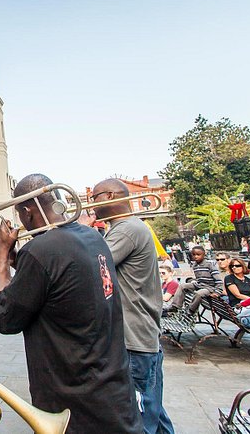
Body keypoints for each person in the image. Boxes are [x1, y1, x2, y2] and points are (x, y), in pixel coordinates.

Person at [0, 174, 141, 433]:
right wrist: (18, 260)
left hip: (75, 397)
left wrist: (3, 254)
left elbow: (4, 317)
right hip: (112, 387)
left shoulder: (40, 250)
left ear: (27, 212)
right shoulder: (92, 237)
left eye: (19, 214)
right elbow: (60, 280)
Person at [89, 177, 174, 433]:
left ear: (111, 196)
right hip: (141, 337)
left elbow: (92, 266)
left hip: (134, 338)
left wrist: (82, 230)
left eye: (96, 197)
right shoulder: (124, 228)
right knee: (154, 414)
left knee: (137, 421)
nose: (92, 204)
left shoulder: (126, 228)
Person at [170, 246, 223, 315]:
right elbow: (197, 278)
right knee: (183, 286)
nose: (196, 257)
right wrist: (192, 281)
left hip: (209, 287)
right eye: (194, 255)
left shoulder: (209, 264)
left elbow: (218, 280)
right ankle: (175, 306)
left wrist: (217, 292)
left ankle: (191, 310)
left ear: (203, 255)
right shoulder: (194, 265)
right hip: (199, 284)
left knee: (199, 293)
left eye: (198, 255)